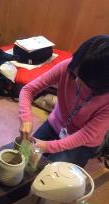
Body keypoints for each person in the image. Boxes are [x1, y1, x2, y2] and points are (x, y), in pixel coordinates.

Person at [19, 35, 109, 167]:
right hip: (55, 124)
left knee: (50, 172)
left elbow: (86, 134)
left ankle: (100, 147)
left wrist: (48, 146)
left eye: (84, 80)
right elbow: (28, 90)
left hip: (83, 141)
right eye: (75, 73)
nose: (76, 80)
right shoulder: (68, 67)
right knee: (24, 155)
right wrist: (25, 118)